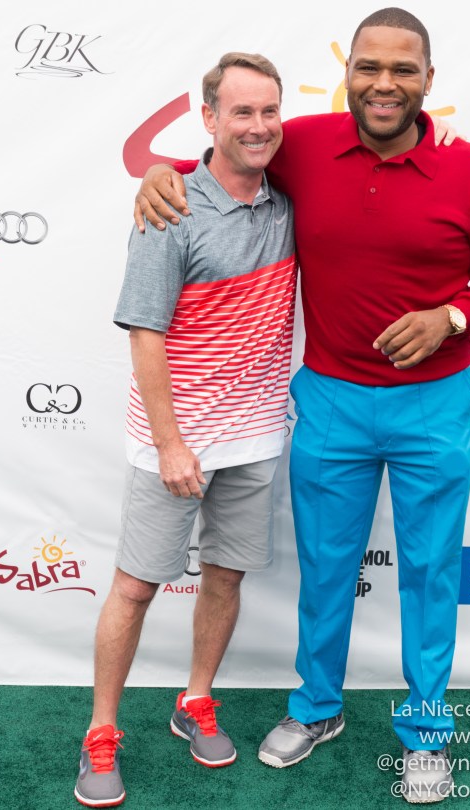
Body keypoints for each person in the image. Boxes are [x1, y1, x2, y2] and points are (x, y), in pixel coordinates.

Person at [134, 8, 470, 804]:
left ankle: (425, 731)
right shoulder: (305, 144)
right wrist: (163, 170)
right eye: (368, 67)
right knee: (327, 572)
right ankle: (317, 708)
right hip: (330, 402)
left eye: (402, 70)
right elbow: (227, 156)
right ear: (347, 71)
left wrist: (450, 316)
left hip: (433, 406)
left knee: (425, 572)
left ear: (427, 80)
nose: (384, 84)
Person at [74, 53, 297, 808]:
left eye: (269, 111)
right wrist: (172, 443)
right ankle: (101, 731)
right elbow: (144, 332)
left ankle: (194, 700)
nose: (259, 126)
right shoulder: (168, 208)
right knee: (135, 588)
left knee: (223, 580)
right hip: (175, 442)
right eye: (241, 112)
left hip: (258, 435)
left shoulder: (288, 199)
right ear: (209, 119)